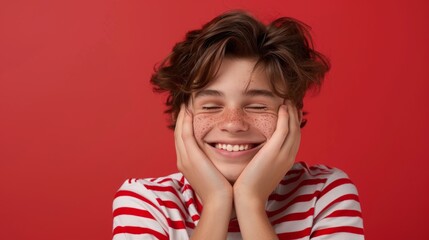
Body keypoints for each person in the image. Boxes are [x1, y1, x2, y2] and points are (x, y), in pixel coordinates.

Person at [112, 10, 364, 240]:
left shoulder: (326, 194)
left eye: (257, 106)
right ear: (180, 116)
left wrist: (250, 202)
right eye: (211, 106)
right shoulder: (147, 202)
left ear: (294, 117)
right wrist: (216, 202)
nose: (233, 124)